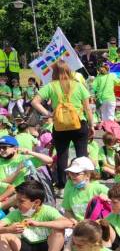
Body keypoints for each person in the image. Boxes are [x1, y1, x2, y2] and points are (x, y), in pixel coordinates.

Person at [31, 60, 93, 189]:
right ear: (68, 70)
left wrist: (49, 114)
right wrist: (92, 125)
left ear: (54, 72)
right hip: (79, 123)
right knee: (82, 154)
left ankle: (62, 184)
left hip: (60, 125)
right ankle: (83, 182)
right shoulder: (78, 85)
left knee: (61, 155)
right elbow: (88, 108)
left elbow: (34, 102)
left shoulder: (51, 86)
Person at [0, 180, 73, 251]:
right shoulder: (16, 213)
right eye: (17, 200)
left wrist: (39, 223)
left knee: (58, 230)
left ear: (36, 202)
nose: (17, 204)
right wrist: (9, 229)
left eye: (21, 201)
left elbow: (68, 223)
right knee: (2, 236)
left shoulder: (48, 211)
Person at [61, 156, 108, 222]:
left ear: (88, 175)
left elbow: (118, 201)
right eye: (71, 173)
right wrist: (74, 221)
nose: (72, 176)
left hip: (98, 226)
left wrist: (108, 198)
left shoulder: (99, 188)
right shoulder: (70, 192)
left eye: (76, 173)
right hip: (80, 226)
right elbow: (68, 211)